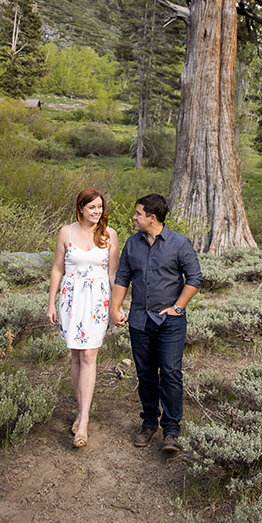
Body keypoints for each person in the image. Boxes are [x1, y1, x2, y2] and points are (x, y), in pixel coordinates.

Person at [110, 193, 201, 453]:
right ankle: (149, 423)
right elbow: (122, 277)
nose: (134, 218)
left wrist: (178, 307)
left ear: (152, 217)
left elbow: (194, 277)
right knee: (146, 374)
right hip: (139, 320)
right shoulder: (132, 244)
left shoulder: (179, 243)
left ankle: (171, 430)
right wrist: (116, 308)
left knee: (171, 373)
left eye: (138, 214)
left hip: (169, 322)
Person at [47, 188, 119, 448]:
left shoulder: (109, 235)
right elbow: (57, 268)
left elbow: (114, 275)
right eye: (92, 208)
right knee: (76, 355)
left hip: (98, 299)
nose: (97, 211)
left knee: (89, 355)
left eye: (100, 207)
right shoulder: (65, 233)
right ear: (80, 209)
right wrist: (51, 303)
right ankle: (80, 409)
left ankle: (84, 421)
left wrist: (118, 307)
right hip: (71, 298)